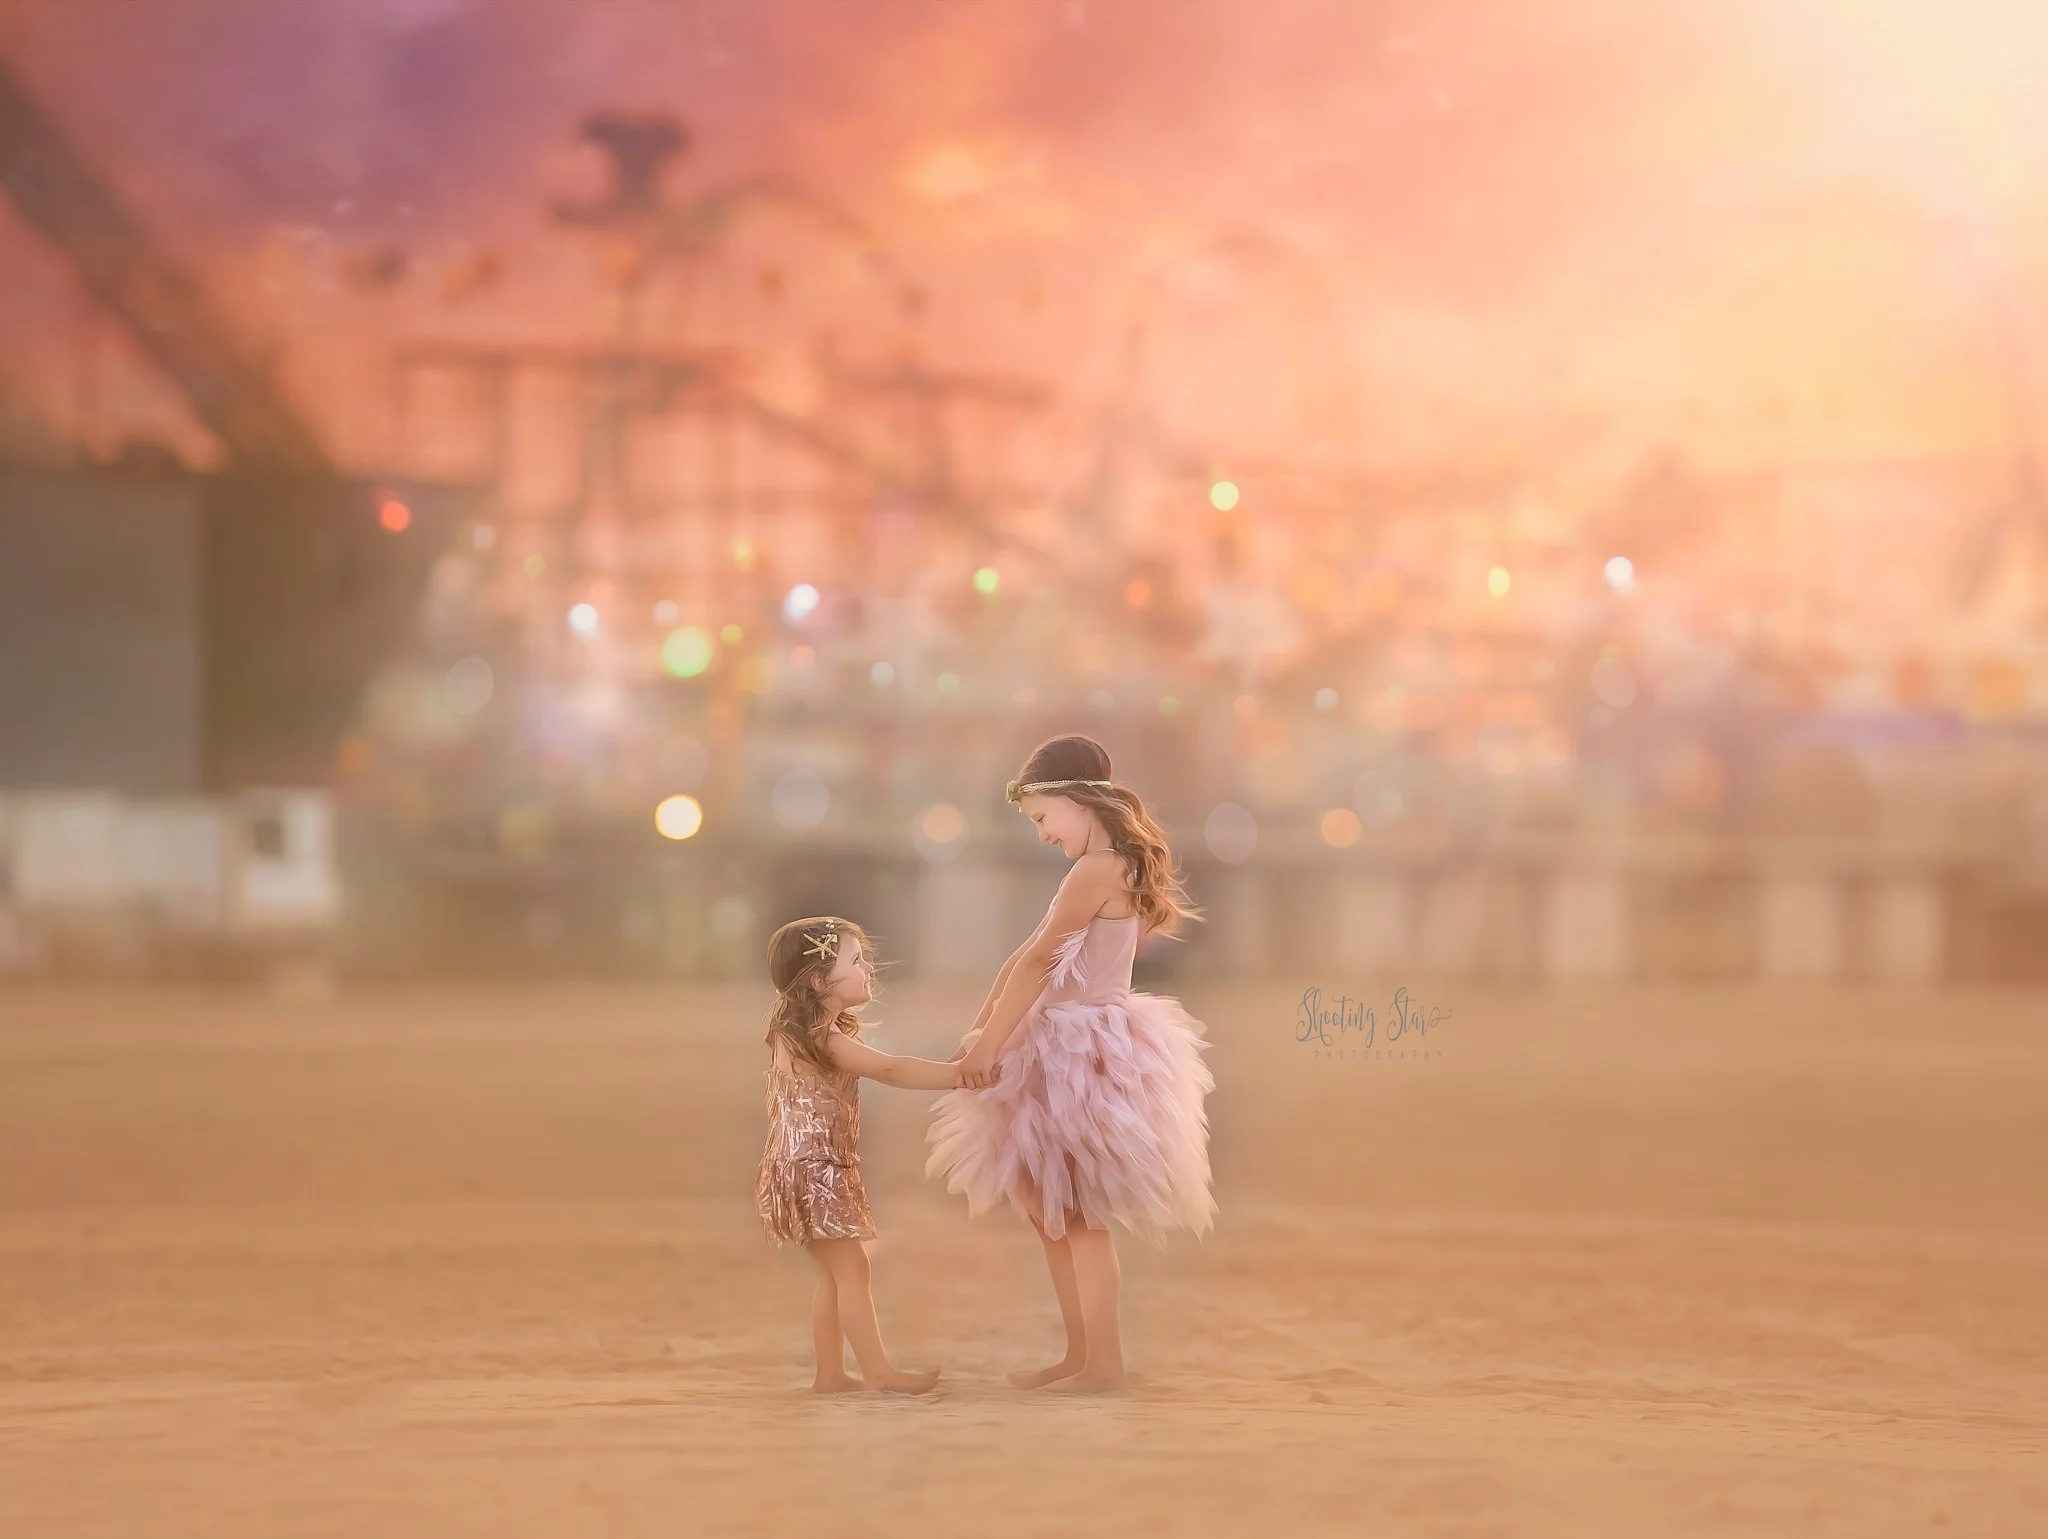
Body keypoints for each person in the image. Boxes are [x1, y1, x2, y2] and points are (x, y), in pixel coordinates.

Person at [926, 734, 1216, 1393]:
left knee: (1077, 1213)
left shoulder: (1100, 869)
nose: (1041, 834)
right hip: (1051, 1033)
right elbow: (1026, 955)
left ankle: (1103, 1362)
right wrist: (984, 1029)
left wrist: (990, 1042)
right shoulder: (1096, 868)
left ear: (1077, 800)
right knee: (1044, 1203)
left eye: (1041, 817)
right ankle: (1081, 1353)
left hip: (1078, 1046)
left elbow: (1036, 962)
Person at [756, 915, 969, 1394]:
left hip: (810, 1165)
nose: (868, 968)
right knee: (852, 1269)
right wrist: (960, 1074)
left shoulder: (810, 1033)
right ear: (818, 981)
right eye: (855, 961)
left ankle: (830, 1375)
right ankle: (877, 1372)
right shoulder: (821, 1040)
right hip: (813, 1170)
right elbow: (891, 1070)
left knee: (836, 1274)